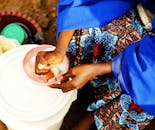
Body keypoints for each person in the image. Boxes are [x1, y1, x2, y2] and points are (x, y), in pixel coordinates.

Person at [35, 0, 155, 129]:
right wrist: (60, 51)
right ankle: (79, 82)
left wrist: (103, 68)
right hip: (134, 11)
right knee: (82, 29)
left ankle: (96, 116)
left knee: (141, 100)